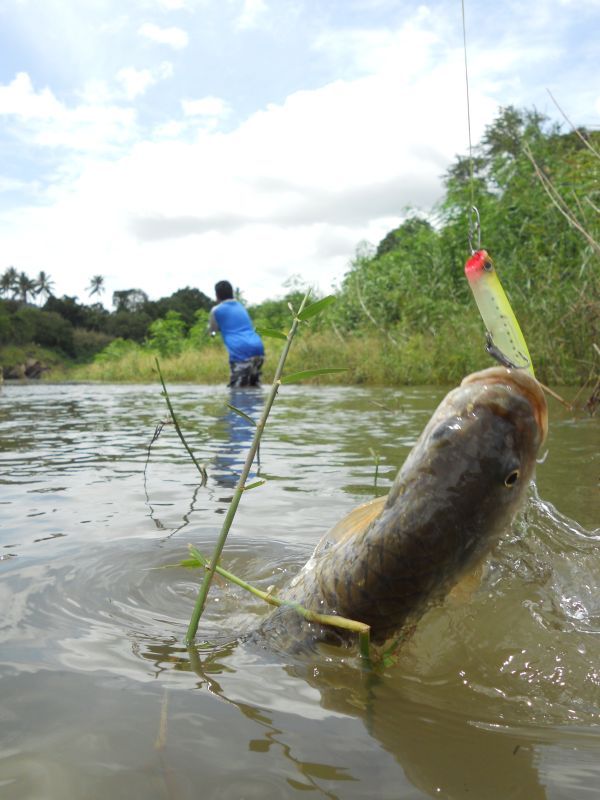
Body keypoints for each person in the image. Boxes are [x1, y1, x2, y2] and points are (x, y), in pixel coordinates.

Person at [208, 280, 265, 388]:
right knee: (255, 387)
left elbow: (213, 331)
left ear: (217, 295)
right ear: (232, 292)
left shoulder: (216, 310)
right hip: (258, 349)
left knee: (238, 391)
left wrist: (213, 334)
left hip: (240, 352)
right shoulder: (241, 306)